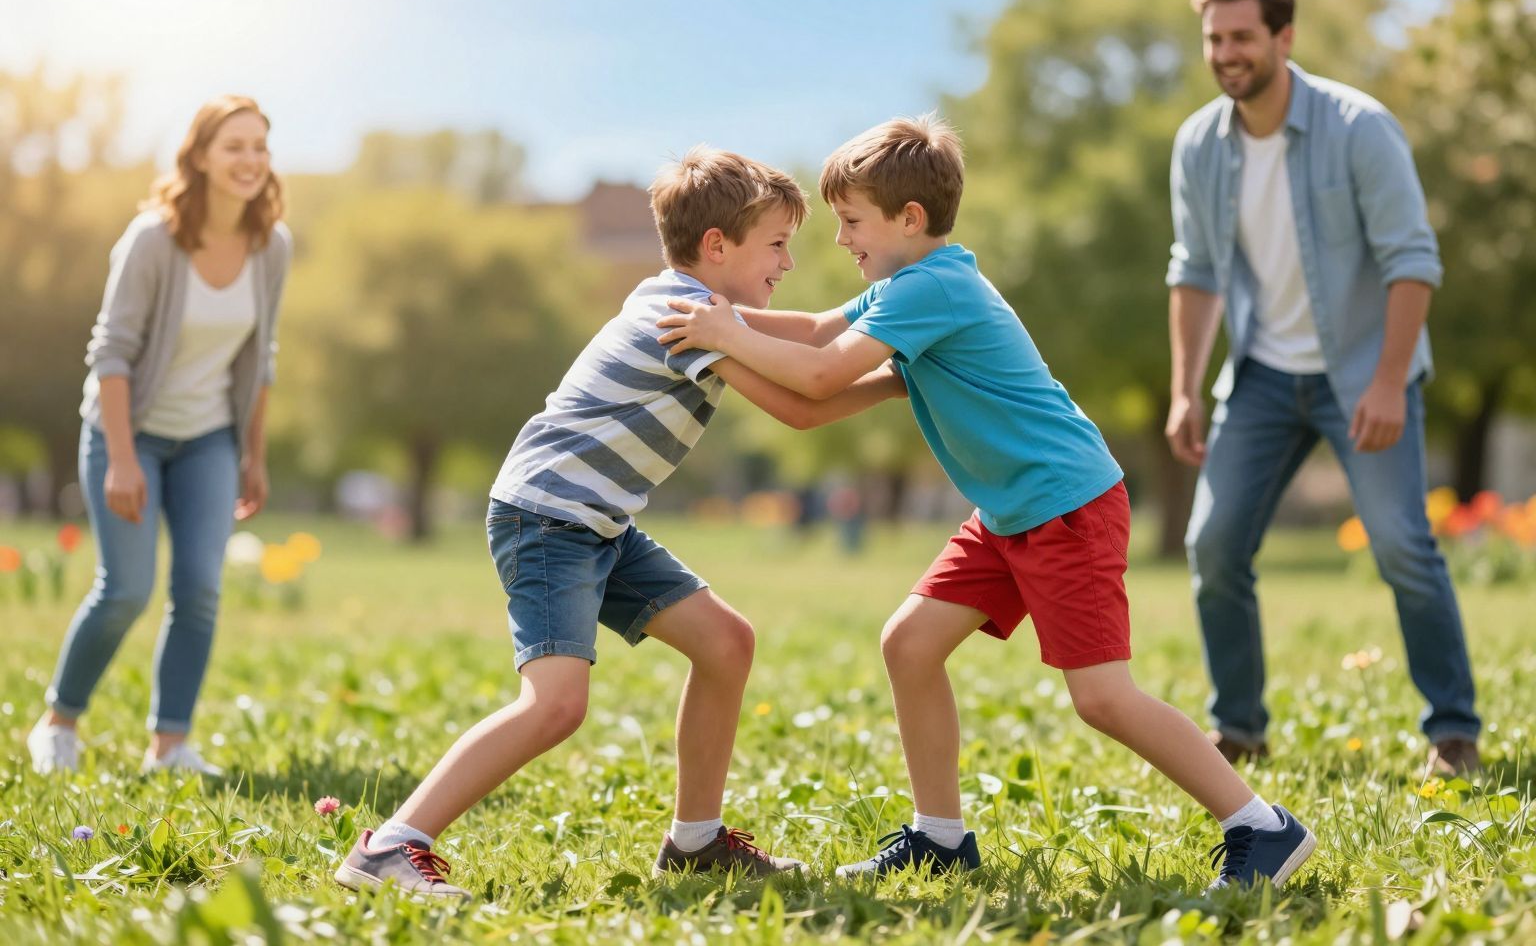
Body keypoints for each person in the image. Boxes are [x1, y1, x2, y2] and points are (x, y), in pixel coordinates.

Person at [658, 114, 1316, 890]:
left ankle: (1263, 828)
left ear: (910, 219)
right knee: (911, 644)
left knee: (1103, 697)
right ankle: (941, 837)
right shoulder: (908, 286)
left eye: (851, 222)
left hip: (1064, 505)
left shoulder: (933, 287)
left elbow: (820, 375)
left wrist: (720, 332)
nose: (841, 242)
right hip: (1008, 514)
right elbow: (808, 338)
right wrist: (707, 317)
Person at [335, 148, 907, 898]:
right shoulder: (683, 320)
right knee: (556, 705)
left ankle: (696, 843)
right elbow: (799, 407)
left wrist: (903, 302)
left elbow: (806, 330)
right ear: (716, 247)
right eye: (775, 244)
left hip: (595, 522)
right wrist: (895, 380)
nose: (789, 261)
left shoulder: (697, 304)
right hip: (547, 517)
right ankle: (392, 846)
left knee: (726, 642)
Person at [1164, 0, 1480, 775]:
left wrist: (1386, 381)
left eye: (1241, 37)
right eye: (1215, 40)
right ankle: (1239, 727)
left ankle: (1453, 731)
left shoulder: (1358, 128)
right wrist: (1184, 388)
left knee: (1403, 546)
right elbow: (1194, 271)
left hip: (1363, 373)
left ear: (1283, 38)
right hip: (1263, 377)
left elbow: (1414, 262)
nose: (1227, 54)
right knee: (1215, 545)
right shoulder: (1200, 144)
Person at [27, 95, 291, 776]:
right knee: (125, 589)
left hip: (209, 440)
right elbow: (111, 352)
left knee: (200, 587)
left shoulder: (272, 245)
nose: (250, 160)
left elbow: (259, 360)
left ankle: (169, 745)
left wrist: (252, 455)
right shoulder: (153, 238)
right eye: (234, 145)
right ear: (200, 156)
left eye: (260, 146)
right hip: (128, 432)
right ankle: (59, 721)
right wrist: (120, 458)